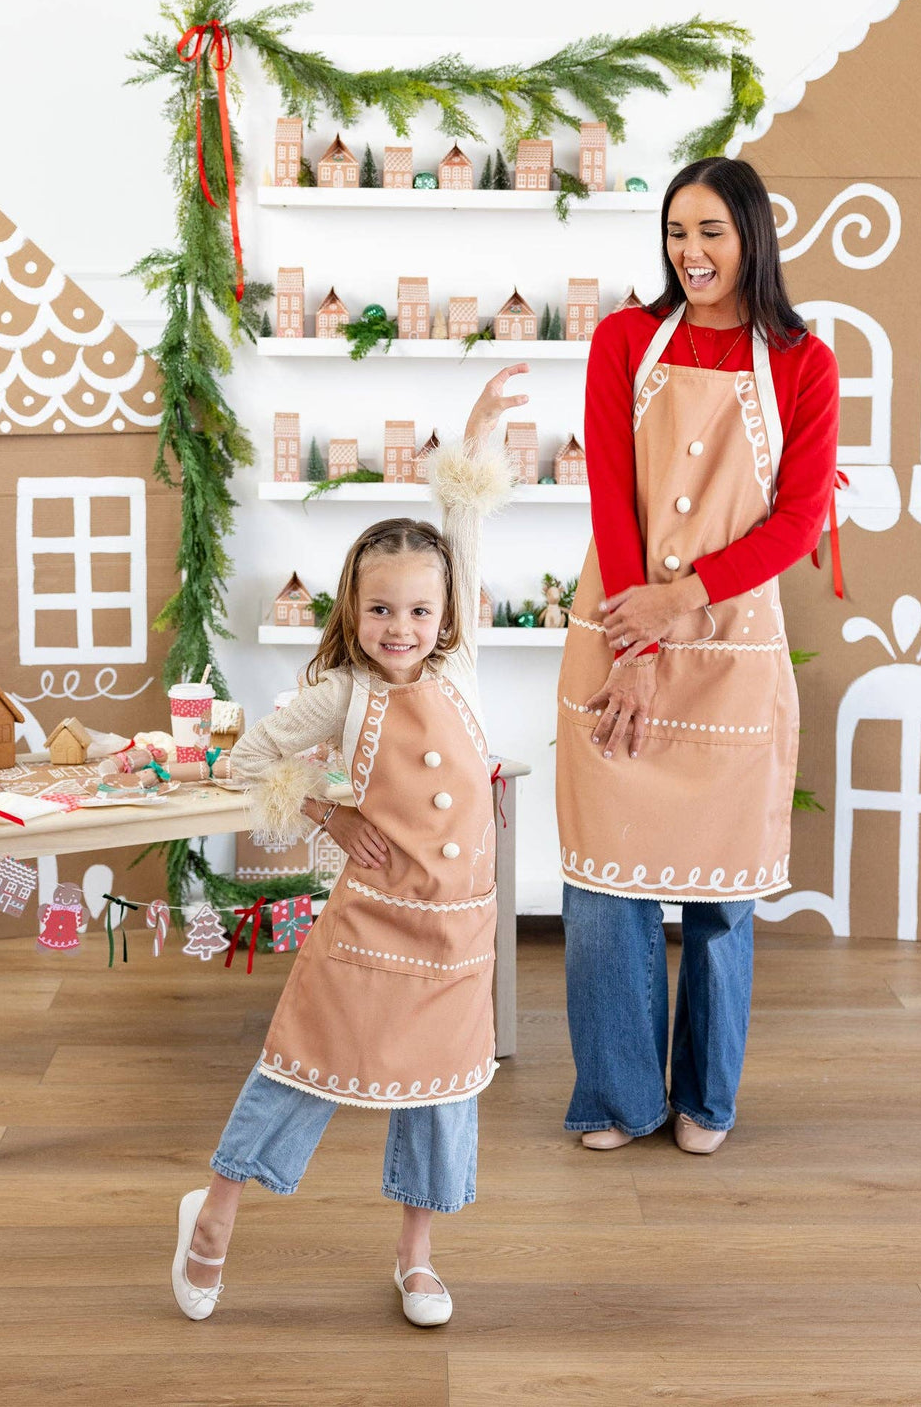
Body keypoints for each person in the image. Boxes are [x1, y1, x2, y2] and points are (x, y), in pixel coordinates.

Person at [168, 366, 524, 1325]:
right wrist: (332, 815)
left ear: (445, 614)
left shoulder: (462, 663)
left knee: (442, 1093)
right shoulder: (340, 694)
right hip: (372, 925)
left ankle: (417, 1258)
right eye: (379, 610)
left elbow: (466, 532)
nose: (400, 628)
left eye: (417, 610)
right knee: (303, 1066)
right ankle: (214, 1218)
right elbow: (250, 763)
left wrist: (476, 436)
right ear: (350, 611)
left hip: (458, 933)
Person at [555, 156, 839, 1155]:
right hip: (616, 633)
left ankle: (703, 1099)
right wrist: (634, 637)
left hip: (725, 643)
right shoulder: (624, 340)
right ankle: (619, 1095)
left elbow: (799, 517)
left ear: (753, 237)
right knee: (603, 885)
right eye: (679, 230)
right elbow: (610, 495)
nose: (692, 250)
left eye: (713, 230)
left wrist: (684, 600)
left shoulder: (803, 361)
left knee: (720, 892)